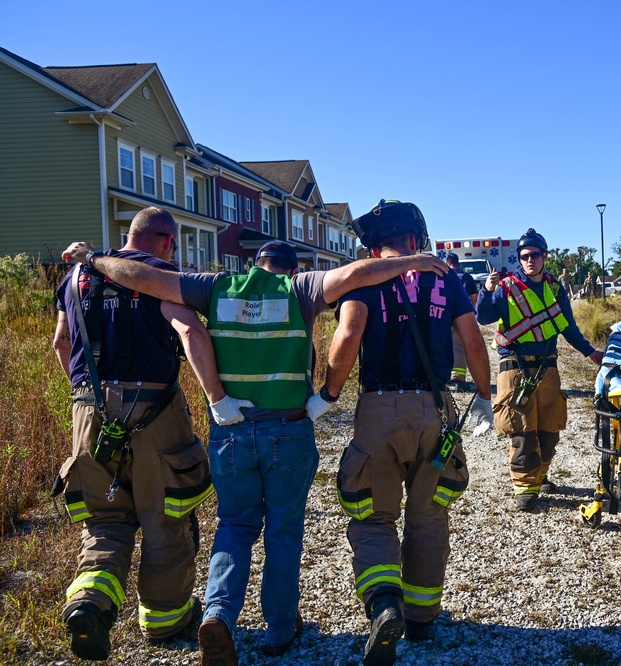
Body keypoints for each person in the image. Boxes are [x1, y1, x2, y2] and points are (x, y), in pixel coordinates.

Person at [61, 236, 450, 665]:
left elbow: (148, 279)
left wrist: (96, 260)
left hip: (232, 432)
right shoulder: (300, 290)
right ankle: (281, 629)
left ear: (257, 264)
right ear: (292, 268)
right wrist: (414, 261)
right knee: (283, 531)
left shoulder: (217, 287)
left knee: (234, 527)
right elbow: (357, 273)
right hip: (289, 432)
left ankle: (218, 616)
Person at [320, 200, 493, 666]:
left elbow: (349, 336)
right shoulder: (446, 278)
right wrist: (485, 393)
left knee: (374, 515)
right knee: (429, 515)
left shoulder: (363, 277)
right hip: (435, 410)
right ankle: (420, 616)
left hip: (380, 409)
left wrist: (328, 395)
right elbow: (473, 340)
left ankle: (383, 604)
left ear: (374, 246)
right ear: (415, 240)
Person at [52, 207, 213, 660]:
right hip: (156, 409)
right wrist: (216, 400)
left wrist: (87, 397)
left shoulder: (75, 278)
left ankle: (90, 602)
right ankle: (165, 620)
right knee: (166, 514)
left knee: (104, 519)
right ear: (164, 240)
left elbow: (61, 343)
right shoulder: (162, 274)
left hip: (88, 409)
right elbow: (189, 331)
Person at [476, 228, 603, 511]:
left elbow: (568, 327)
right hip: (515, 367)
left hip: (548, 366)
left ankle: (539, 477)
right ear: (519, 259)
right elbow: (483, 317)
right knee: (521, 430)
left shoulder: (556, 289)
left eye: (534, 255)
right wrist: (487, 290)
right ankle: (524, 488)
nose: (529, 260)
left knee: (549, 429)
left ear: (545, 256)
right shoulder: (506, 288)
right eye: (524, 256)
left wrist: (590, 352)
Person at [445, 252, 478, 386]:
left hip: (443, 315)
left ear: (447, 263)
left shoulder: (441, 275)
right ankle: (458, 377)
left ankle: (444, 374)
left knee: (443, 344)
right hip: (461, 315)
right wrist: (471, 313)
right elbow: (474, 297)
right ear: (458, 264)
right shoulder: (466, 277)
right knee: (458, 346)